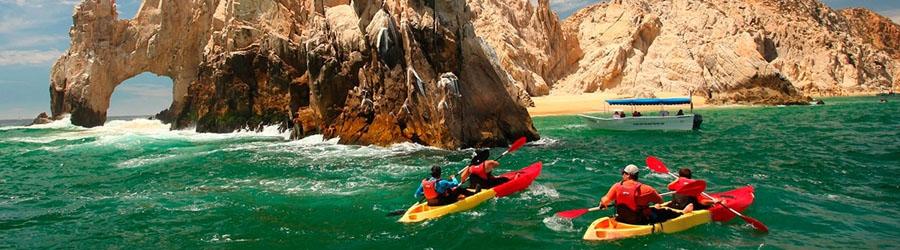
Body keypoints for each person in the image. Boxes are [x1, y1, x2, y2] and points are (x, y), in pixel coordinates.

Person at [599, 164, 691, 225]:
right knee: (666, 212)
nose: (622, 175)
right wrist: (656, 204)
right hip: (639, 221)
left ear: (628, 175)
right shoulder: (647, 189)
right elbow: (660, 201)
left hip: (622, 218)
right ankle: (683, 212)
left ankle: (680, 212)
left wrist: (603, 204)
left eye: (623, 173)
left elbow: (605, 201)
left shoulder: (616, 186)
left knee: (654, 209)